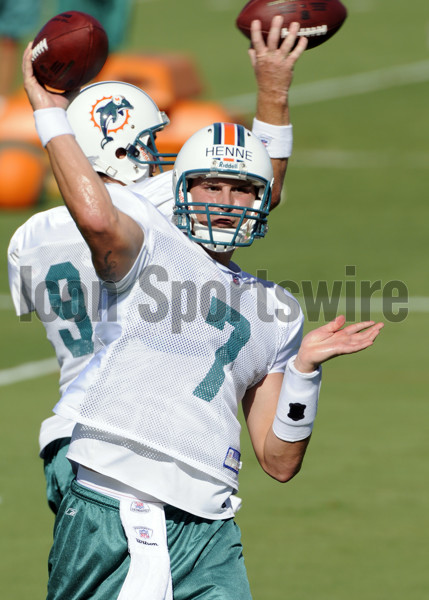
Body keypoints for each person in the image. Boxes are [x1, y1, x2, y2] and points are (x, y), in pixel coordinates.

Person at [21, 24, 383, 600]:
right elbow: (105, 219)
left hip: (211, 513)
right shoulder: (149, 241)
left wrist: (306, 371)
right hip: (121, 474)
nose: (225, 201)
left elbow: (279, 461)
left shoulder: (276, 309)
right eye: (207, 186)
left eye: (240, 191)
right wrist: (48, 110)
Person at [8, 17, 308, 515]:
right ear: (116, 147)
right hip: (125, 436)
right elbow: (259, 191)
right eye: (144, 144)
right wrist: (273, 90)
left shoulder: (26, 240)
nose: (153, 158)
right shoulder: (140, 211)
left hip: (64, 432)